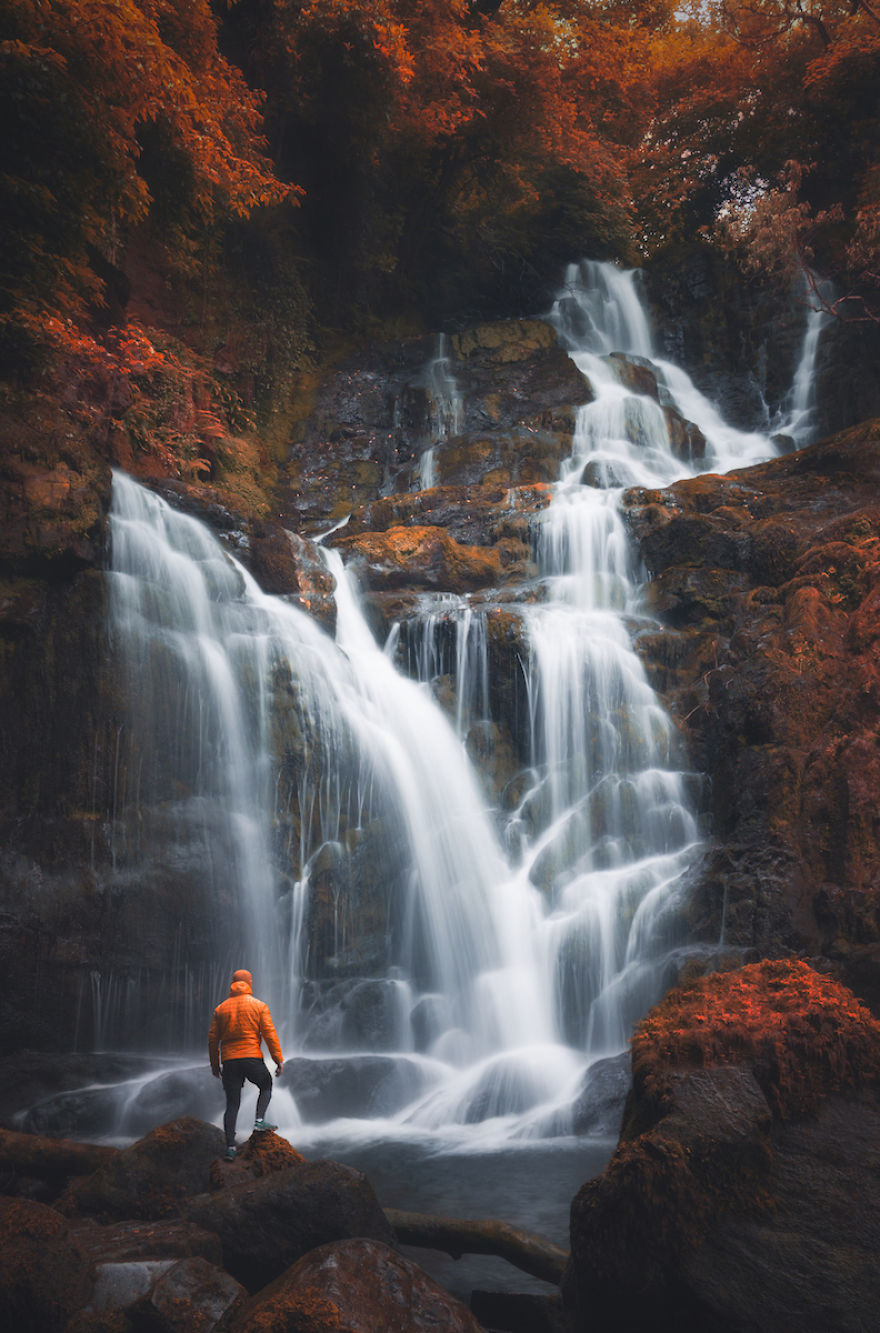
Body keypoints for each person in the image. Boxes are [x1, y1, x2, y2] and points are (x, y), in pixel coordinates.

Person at [208, 968, 284, 1160]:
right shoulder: (259, 1006)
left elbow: (212, 1040)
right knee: (265, 1085)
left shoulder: (220, 1009)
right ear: (250, 983)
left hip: (229, 1061)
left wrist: (215, 1066)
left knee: (232, 1104)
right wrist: (277, 1060)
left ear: (232, 983)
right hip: (251, 1056)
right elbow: (269, 1035)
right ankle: (259, 1121)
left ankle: (230, 1148)